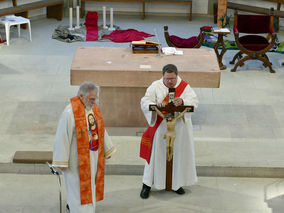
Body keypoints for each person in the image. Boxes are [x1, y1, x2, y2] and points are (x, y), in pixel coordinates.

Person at [52, 81, 116, 212]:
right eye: (92, 99)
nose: (94, 102)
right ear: (81, 96)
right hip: (76, 161)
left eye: (95, 98)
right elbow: (62, 137)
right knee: (77, 188)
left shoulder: (93, 108)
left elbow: (101, 129)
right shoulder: (69, 113)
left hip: (92, 156)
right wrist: (61, 161)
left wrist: (107, 149)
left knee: (90, 186)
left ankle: (89, 209)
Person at [140, 64, 198, 199]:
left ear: (177, 75)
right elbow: (144, 101)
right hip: (161, 129)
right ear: (163, 76)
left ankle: (176, 184)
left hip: (179, 129)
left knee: (177, 155)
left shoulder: (184, 87)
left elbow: (194, 101)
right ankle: (147, 184)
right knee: (155, 156)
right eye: (167, 79)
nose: (170, 81)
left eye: (172, 78)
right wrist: (155, 105)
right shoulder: (155, 86)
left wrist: (183, 100)